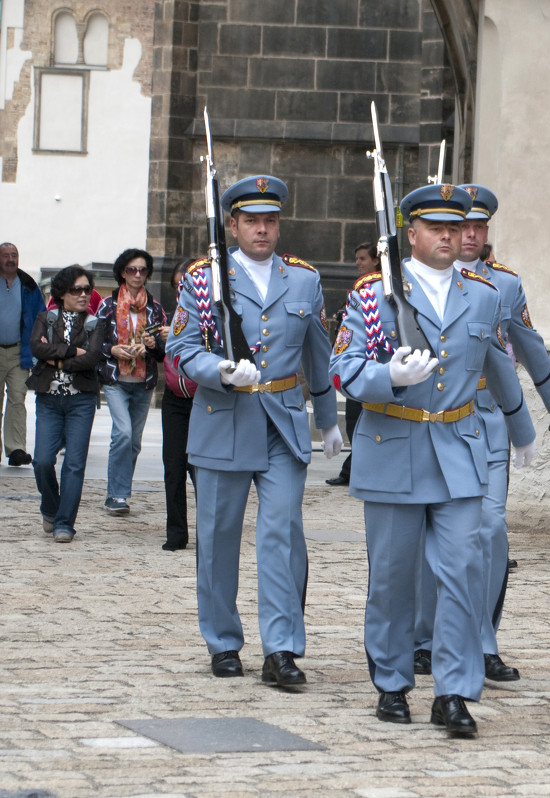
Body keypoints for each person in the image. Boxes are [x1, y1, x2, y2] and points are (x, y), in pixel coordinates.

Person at [330, 183, 537, 737]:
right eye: (436, 227)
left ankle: (453, 690)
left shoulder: (484, 295)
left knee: (464, 572)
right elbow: (343, 368)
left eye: (456, 226)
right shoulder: (374, 296)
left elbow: (497, 366)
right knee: (393, 579)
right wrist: (388, 377)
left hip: (459, 449)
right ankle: (393, 681)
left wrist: (524, 428)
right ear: (411, 234)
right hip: (394, 447)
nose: (449, 236)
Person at [165, 174, 343, 686]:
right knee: (219, 536)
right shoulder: (204, 278)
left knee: (282, 534)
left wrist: (328, 420)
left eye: (270, 220)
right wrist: (217, 370)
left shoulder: (304, 279)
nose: (262, 230)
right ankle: (222, 641)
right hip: (226, 419)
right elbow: (181, 347)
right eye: (251, 221)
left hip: (283, 422)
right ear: (233, 225)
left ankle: (281, 648)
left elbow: (318, 353)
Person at [410, 184, 550, 683]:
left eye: (481, 227)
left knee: (488, 531)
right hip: (427, 418)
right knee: (424, 535)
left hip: (485, 422)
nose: (472, 235)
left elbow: (525, 349)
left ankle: (481, 641)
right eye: (466, 226)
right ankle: (423, 638)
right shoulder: (409, 282)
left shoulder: (503, 286)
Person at [28, 266, 108, 542]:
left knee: (74, 464)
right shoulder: (46, 318)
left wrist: (56, 357)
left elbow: (93, 358)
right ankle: (50, 507)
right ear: (62, 293)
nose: (84, 294)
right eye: (77, 290)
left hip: (81, 401)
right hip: (49, 398)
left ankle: (64, 522)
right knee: (41, 460)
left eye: (87, 289)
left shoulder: (96, 323)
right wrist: (72, 351)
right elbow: (36, 348)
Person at [96, 249, 168, 514]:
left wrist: (151, 346)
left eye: (142, 270)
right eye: (131, 270)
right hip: (116, 379)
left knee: (134, 441)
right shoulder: (108, 304)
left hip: (143, 381)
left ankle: (119, 493)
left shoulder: (156, 308)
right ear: (122, 272)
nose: (137, 275)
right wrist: (112, 350)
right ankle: (115, 495)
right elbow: (96, 343)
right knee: (123, 433)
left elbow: (162, 353)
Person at [326, 242, 381, 487]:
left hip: (373, 366)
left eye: (362, 259)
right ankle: (353, 467)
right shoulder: (359, 289)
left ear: (376, 261)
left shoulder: (380, 288)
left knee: (362, 419)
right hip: (354, 366)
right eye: (356, 259)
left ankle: (356, 469)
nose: (358, 263)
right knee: (352, 420)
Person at [161, 261, 198, 551]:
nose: (181, 289)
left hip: (204, 399)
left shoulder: (208, 315)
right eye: (177, 285)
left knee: (201, 468)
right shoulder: (173, 317)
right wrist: (154, 344)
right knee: (174, 467)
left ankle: (210, 530)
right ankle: (176, 532)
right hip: (174, 399)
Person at [0, 242, 46, 467]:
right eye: (6, 255)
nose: (10, 259)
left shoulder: (28, 285)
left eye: (14, 255)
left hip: (19, 351)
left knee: (18, 398)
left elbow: (41, 315)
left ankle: (16, 448)